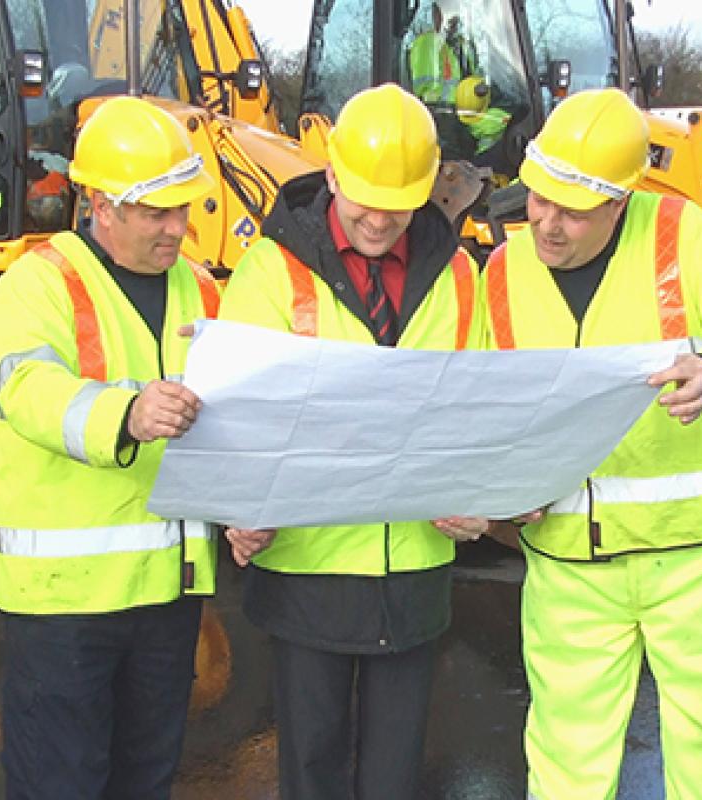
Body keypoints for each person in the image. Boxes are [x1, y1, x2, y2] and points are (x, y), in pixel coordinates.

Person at [484, 88, 702, 800]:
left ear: (620, 201)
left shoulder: (685, 236)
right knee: (565, 766)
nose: (547, 225)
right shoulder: (503, 270)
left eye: (572, 210)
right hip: (570, 565)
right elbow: (482, 400)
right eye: (538, 201)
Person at [218, 83, 490, 800]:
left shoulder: (460, 275)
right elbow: (236, 410)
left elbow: (482, 406)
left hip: (416, 568)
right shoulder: (270, 271)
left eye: (398, 202)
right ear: (331, 174)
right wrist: (238, 507)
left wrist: (479, 499)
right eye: (365, 197)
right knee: (312, 769)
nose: (379, 219)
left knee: (396, 776)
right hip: (309, 564)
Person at [0, 95, 221, 800]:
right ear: (101, 205)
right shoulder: (38, 282)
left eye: (183, 209)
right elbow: (27, 390)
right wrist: (126, 414)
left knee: (144, 782)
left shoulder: (201, 290)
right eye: (157, 213)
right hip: (64, 605)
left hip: (166, 595)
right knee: (62, 783)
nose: (177, 228)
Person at [409, 2, 459, 104]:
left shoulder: (452, 47)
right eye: (450, 13)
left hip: (458, 111)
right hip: (435, 112)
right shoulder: (426, 44)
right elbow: (424, 92)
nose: (454, 21)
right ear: (436, 16)